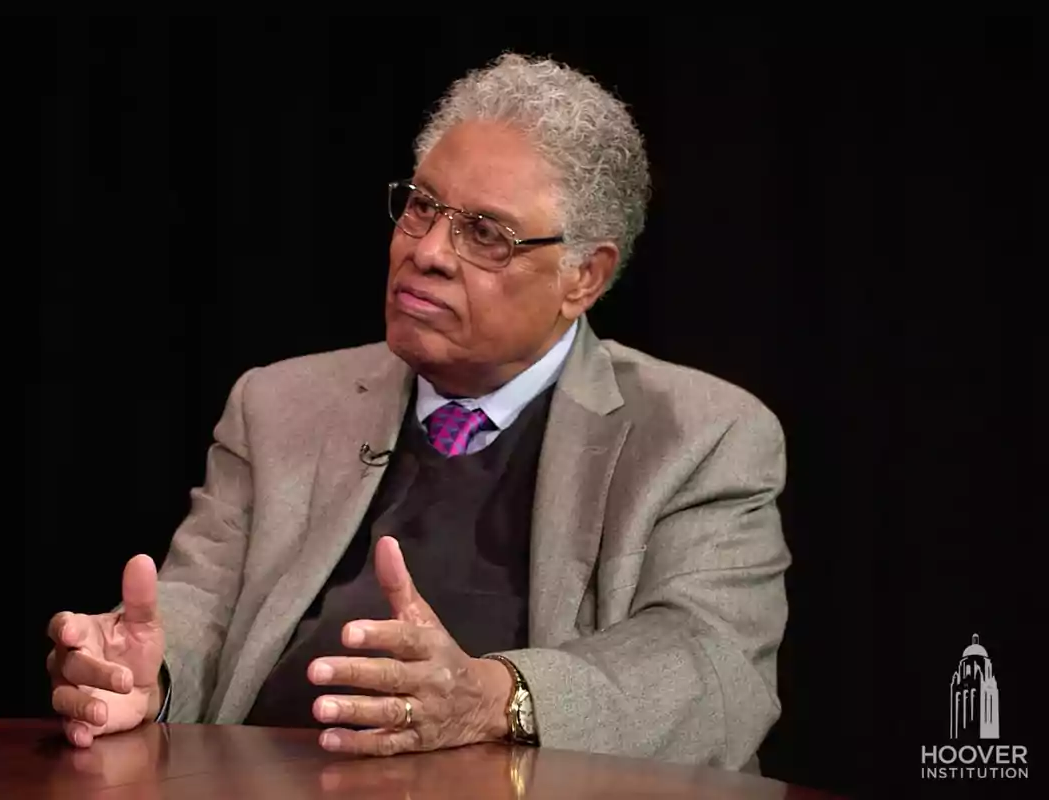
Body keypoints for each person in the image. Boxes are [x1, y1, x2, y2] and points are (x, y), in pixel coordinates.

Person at [45, 52, 791, 772]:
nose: (428, 251)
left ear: (582, 278)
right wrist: (145, 675)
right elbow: (198, 604)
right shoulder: (279, 406)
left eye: (484, 234)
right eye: (424, 208)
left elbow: (710, 667)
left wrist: (496, 699)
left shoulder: (700, 434)